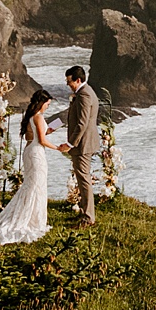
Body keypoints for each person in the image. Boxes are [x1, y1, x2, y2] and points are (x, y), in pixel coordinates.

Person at [0, 88, 60, 248]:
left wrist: (52, 128)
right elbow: (42, 140)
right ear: (42, 103)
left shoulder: (31, 116)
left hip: (30, 151)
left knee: (32, 185)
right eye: (47, 104)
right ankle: (32, 219)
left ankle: (31, 217)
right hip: (36, 153)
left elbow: (38, 135)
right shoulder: (38, 117)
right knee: (36, 185)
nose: (48, 107)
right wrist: (57, 147)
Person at [60, 65, 100, 227]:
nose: (68, 84)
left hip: (83, 144)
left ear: (78, 80)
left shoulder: (84, 95)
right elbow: (70, 116)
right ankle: (84, 213)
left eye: (69, 81)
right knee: (82, 178)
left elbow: (82, 123)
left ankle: (89, 217)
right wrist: (51, 126)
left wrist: (70, 144)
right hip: (83, 143)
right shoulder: (84, 92)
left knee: (84, 180)